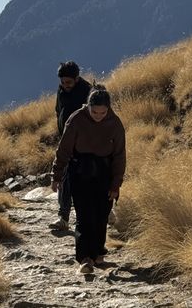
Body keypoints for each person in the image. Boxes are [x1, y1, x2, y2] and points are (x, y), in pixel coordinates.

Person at [51, 85, 126, 274]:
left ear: (108, 108)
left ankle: (98, 253)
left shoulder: (115, 123)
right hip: (80, 171)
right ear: (88, 106)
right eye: (95, 112)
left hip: (104, 173)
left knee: (101, 214)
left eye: (103, 112)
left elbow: (119, 155)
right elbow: (64, 150)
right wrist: (57, 175)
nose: (99, 116)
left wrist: (116, 184)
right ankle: (85, 258)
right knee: (84, 216)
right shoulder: (76, 119)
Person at [50, 61, 91, 231]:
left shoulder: (88, 91)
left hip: (85, 144)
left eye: (68, 82)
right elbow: (58, 110)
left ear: (77, 78)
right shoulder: (61, 90)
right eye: (62, 82)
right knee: (65, 178)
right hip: (67, 141)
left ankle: (97, 214)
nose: (65, 86)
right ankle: (63, 218)